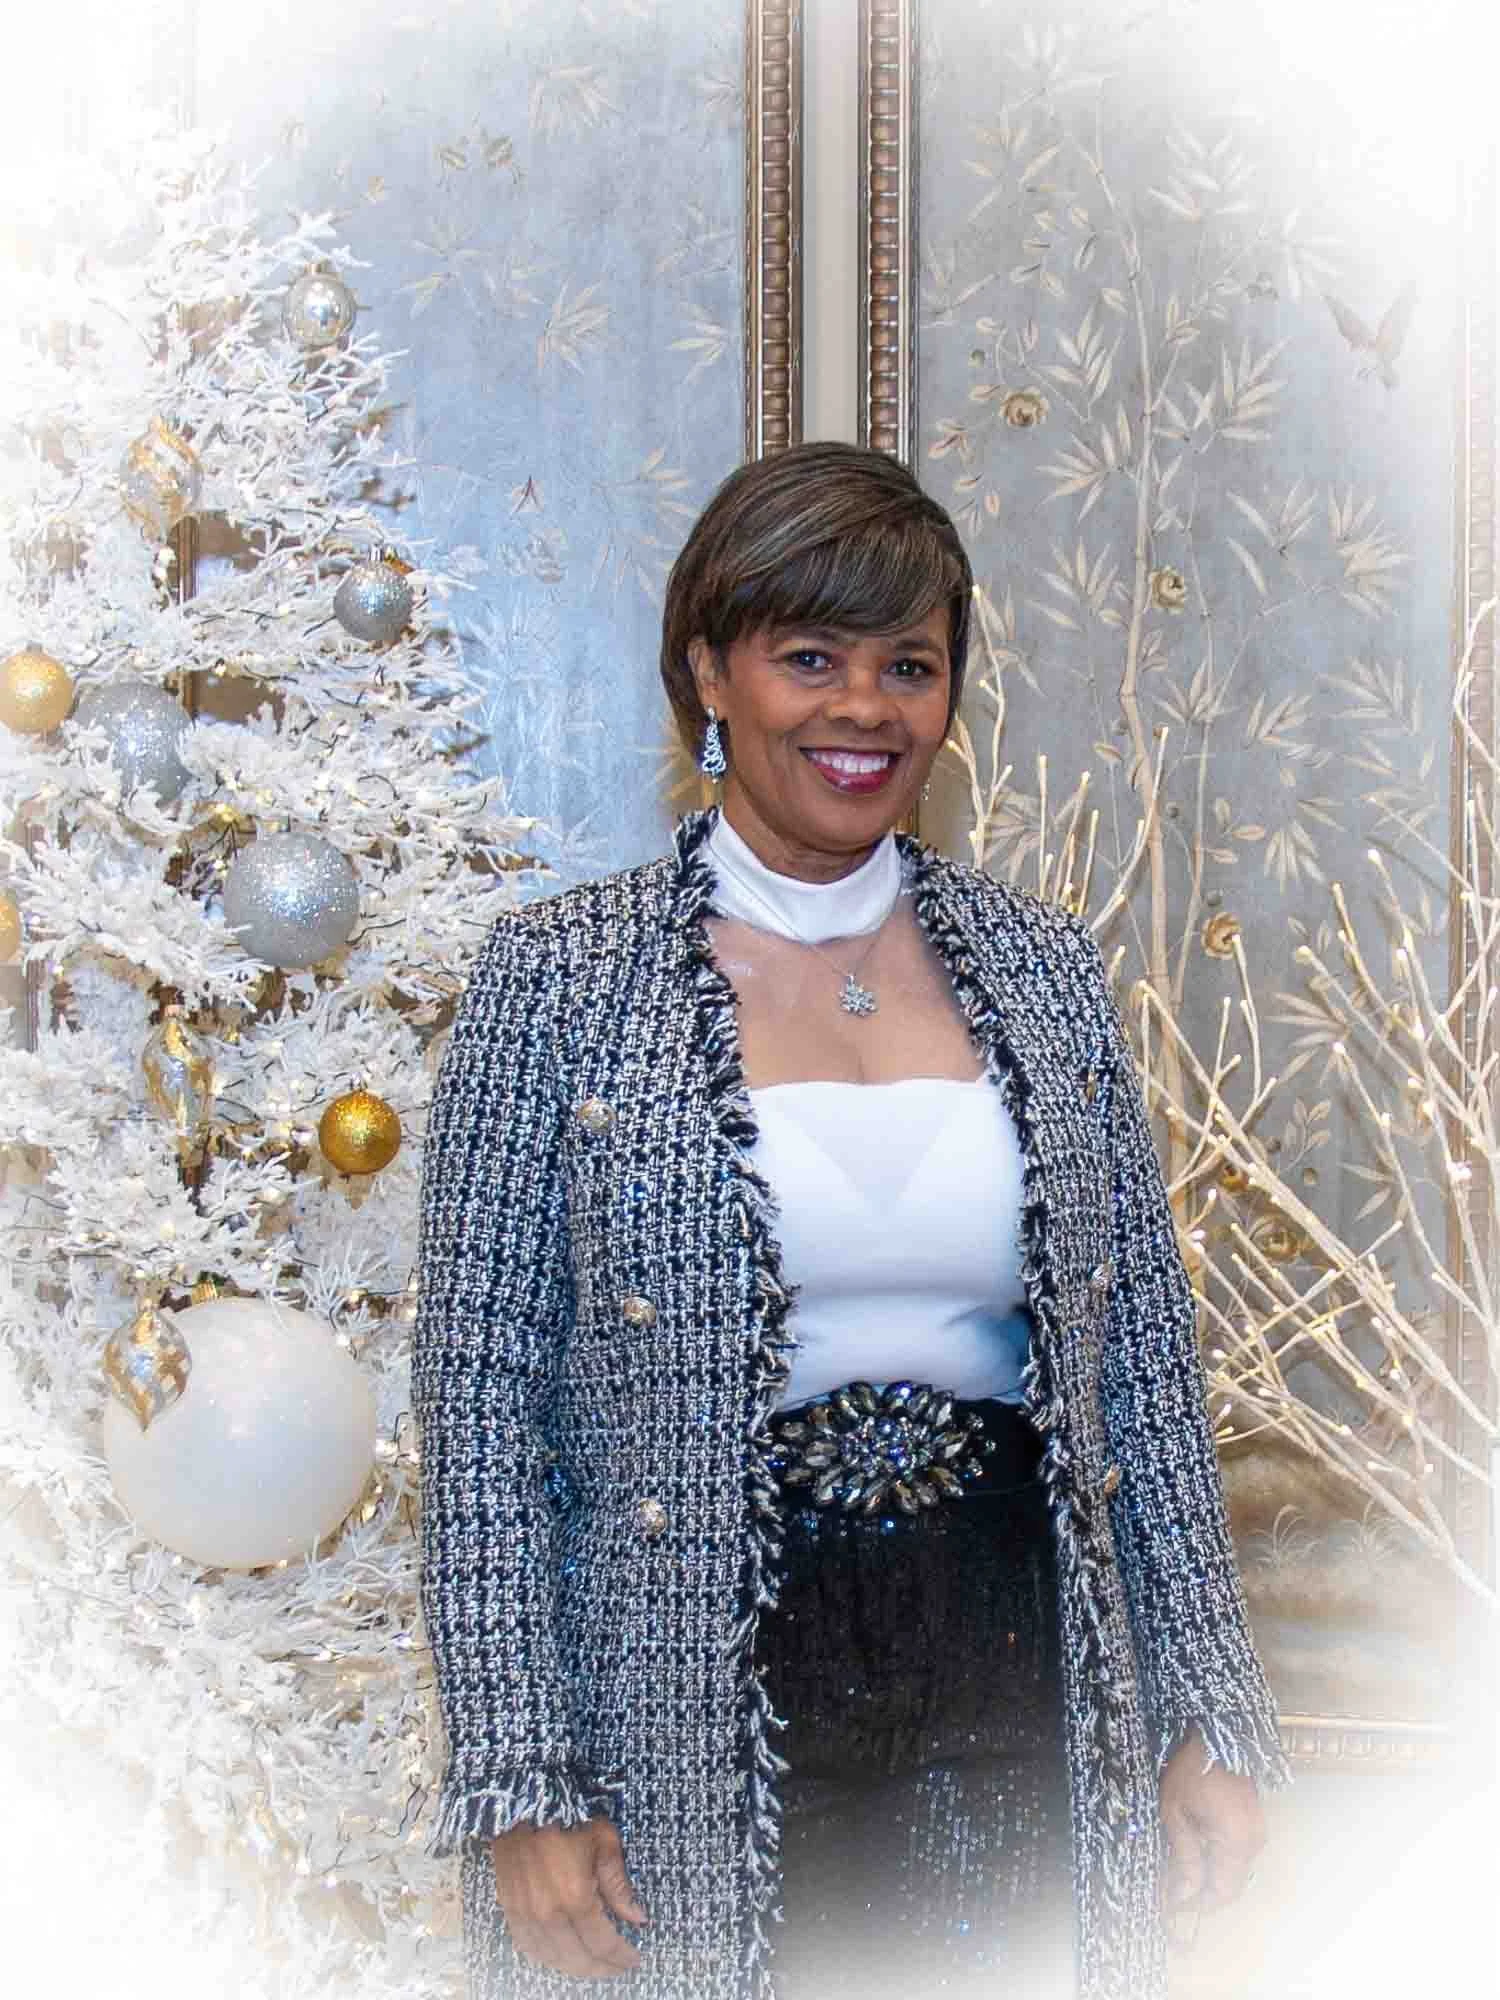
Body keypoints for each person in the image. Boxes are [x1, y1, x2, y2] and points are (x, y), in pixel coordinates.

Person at [411, 440, 1291, 2000]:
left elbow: (1143, 1372)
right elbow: (479, 1416)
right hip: (685, 1699)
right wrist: (524, 1783)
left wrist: (1207, 1712)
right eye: (809, 656)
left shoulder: (1041, 969)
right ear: (710, 672)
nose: (863, 707)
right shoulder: (554, 981)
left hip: (1021, 1675)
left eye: (910, 664)